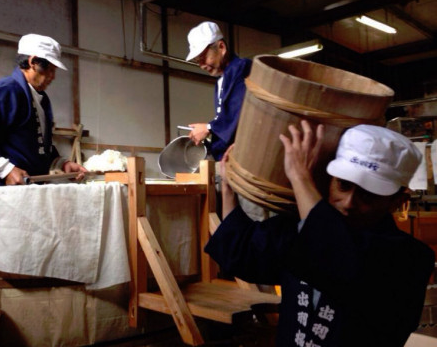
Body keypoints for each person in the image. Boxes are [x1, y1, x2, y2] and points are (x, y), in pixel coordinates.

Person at [205, 121, 435, 347]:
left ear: (397, 201)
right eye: (343, 185)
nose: (348, 203)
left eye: (368, 195)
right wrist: (228, 189)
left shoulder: (410, 258)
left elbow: (339, 259)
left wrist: (300, 178)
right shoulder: (303, 230)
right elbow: (244, 256)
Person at [0, 34, 87, 186]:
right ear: (33, 62)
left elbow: (33, 145)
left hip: (32, 188)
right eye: (50, 69)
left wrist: (61, 163)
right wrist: (6, 170)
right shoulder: (5, 91)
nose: (53, 76)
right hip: (4, 190)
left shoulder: (40, 98)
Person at [185, 21, 251, 162]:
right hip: (230, 160)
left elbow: (240, 110)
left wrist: (209, 128)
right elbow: (226, 118)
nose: (202, 65)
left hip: (247, 158)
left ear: (221, 47)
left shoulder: (242, 68)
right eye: (198, 61)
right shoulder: (221, 80)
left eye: (203, 58)